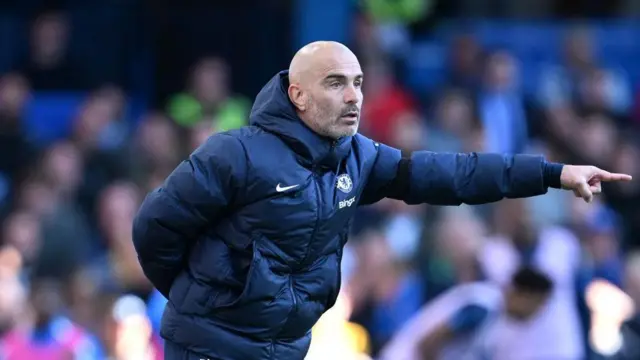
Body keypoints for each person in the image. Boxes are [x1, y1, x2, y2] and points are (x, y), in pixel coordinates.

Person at [131, 41, 632, 360]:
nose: (353, 96)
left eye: (358, 83)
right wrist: (203, 300)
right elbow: (153, 231)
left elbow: (450, 174)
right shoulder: (234, 153)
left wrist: (552, 173)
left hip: (285, 349)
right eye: (335, 83)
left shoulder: (359, 158)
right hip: (208, 347)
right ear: (298, 95)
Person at [378, 267, 554, 360]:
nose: (538, 312)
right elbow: (428, 343)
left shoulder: (496, 316)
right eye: (538, 304)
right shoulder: (483, 305)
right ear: (524, 295)